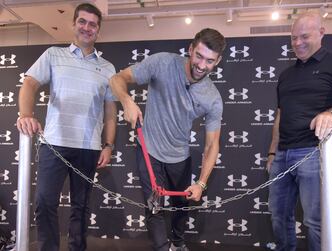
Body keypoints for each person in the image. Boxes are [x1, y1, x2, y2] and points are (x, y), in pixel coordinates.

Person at [110, 28, 226, 251]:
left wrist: (201, 183)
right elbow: (117, 78)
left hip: (179, 156)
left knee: (181, 206)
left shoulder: (212, 98)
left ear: (218, 60)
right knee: (154, 207)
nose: (202, 65)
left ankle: (179, 242)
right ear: (190, 49)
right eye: (199, 56)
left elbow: (212, 144)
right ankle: (162, 248)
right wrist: (126, 101)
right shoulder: (162, 63)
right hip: (149, 150)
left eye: (210, 61)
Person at [16, 3, 117, 251]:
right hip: (54, 144)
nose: (87, 27)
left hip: (88, 148)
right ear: (74, 24)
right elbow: (29, 84)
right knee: (44, 202)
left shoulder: (107, 69)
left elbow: (111, 113)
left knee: (80, 207)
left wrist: (108, 145)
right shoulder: (53, 54)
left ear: (98, 29)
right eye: (82, 21)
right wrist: (26, 114)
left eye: (92, 24)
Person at [266, 12, 332, 251]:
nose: (298, 43)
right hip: (283, 155)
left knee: (316, 221)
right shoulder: (286, 75)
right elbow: (280, 115)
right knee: (278, 216)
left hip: (316, 152)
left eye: (304, 36)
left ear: (321, 33)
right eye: (293, 38)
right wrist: (272, 153)